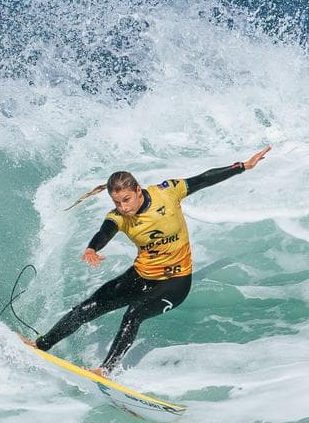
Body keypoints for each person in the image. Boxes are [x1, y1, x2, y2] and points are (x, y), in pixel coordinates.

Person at [28, 146, 271, 376]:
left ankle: (105, 371)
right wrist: (92, 248)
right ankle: (41, 345)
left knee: (133, 314)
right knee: (86, 309)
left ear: (138, 190)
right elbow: (105, 232)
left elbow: (203, 179)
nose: (123, 207)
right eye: (117, 202)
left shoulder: (167, 192)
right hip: (141, 276)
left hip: (175, 282)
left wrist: (242, 166)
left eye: (126, 200)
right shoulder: (118, 217)